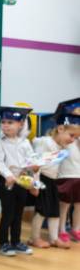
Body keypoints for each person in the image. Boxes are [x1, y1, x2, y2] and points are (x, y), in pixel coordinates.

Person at [0, 106, 36, 256]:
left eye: (10, 122)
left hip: (22, 181)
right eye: (3, 122)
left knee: (18, 213)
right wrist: (8, 175)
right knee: (8, 213)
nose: (5, 125)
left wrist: (32, 170)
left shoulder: (25, 143)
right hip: (7, 182)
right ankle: (3, 243)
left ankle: (16, 242)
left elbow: (30, 160)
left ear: (20, 124)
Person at [30, 120, 77, 249]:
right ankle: (34, 238)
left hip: (52, 180)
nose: (72, 140)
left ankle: (54, 238)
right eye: (71, 135)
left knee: (54, 210)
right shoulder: (45, 142)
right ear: (60, 129)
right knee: (42, 209)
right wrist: (35, 183)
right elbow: (36, 164)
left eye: (75, 137)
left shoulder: (61, 147)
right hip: (42, 179)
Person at [55, 99, 80, 243]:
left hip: (78, 176)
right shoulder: (65, 137)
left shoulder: (77, 139)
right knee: (64, 205)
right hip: (65, 175)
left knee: (78, 205)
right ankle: (62, 230)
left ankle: (76, 229)